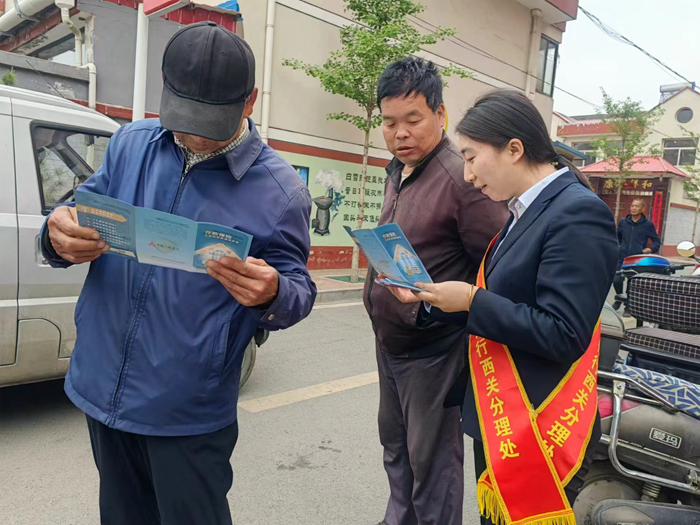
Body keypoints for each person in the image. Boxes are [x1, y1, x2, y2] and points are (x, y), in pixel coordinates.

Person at [41, 22, 316, 525]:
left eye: (211, 121)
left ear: (249, 102)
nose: (194, 134)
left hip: (188, 411)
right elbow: (77, 212)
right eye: (184, 116)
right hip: (102, 383)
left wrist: (273, 293)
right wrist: (55, 235)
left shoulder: (281, 193)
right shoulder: (131, 144)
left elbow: (298, 290)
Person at [385, 90, 618, 525]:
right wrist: (431, 301)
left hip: (542, 425)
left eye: (472, 158)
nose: (468, 174)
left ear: (514, 149)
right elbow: (504, 299)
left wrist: (471, 300)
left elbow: (564, 332)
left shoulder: (578, 214)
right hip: (501, 416)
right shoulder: (521, 211)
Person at [365, 58, 508, 525]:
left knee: (433, 468)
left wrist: (436, 312)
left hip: (435, 351)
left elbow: (499, 265)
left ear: (440, 114)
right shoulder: (398, 170)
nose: (400, 133)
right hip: (391, 343)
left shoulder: (460, 179)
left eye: (413, 120)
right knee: (396, 451)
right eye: (390, 122)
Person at [612, 199, 661, 311]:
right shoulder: (623, 222)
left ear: (642, 209)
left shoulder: (648, 224)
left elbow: (656, 241)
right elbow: (617, 237)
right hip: (622, 257)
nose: (633, 208)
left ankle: (628, 306)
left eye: (637, 206)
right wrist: (618, 247)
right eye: (632, 206)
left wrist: (650, 249)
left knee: (632, 283)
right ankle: (619, 298)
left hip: (637, 259)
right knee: (616, 279)